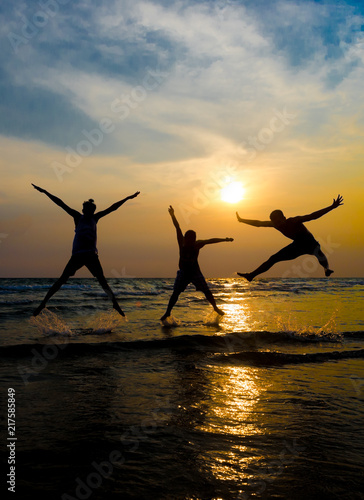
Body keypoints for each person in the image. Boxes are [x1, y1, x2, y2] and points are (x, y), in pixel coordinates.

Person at [31, 184, 140, 316]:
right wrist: (45, 191)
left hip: (91, 256)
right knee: (62, 279)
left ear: (92, 211)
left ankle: (115, 304)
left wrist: (128, 198)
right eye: (83, 209)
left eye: (86, 209)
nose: (84, 211)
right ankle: (43, 303)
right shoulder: (77, 217)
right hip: (77, 256)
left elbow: (113, 208)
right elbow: (61, 203)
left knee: (102, 280)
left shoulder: (95, 218)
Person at [236, 195, 343, 281]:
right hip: (297, 246)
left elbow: (313, 216)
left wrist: (332, 207)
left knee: (318, 253)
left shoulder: (294, 221)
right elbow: (258, 223)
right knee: (273, 258)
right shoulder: (275, 225)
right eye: (275, 222)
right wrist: (242, 220)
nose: (278, 224)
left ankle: (326, 269)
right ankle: (251, 275)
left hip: (310, 243)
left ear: (284, 218)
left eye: (279, 221)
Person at [160, 205, 234, 321]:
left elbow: (211, 241)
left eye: (193, 239)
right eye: (189, 239)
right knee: (176, 293)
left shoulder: (197, 244)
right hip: (184, 273)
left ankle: (215, 308)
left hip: (195, 272)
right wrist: (173, 215)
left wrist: (225, 239)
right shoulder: (182, 242)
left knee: (206, 291)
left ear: (195, 239)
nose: (191, 242)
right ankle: (168, 312)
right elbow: (177, 227)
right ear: (185, 238)